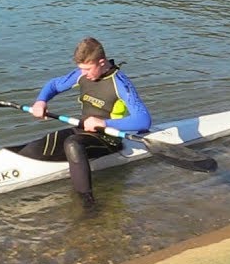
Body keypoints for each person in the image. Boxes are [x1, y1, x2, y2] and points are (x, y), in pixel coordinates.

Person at [15, 37, 151, 209]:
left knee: (72, 144)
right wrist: (41, 101)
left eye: (87, 69)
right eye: (81, 69)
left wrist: (104, 123)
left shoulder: (121, 84)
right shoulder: (81, 74)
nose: (84, 73)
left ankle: (88, 204)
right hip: (84, 132)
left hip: (109, 138)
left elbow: (143, 120)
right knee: (37, 146)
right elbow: (54, 85)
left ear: (101, 63)